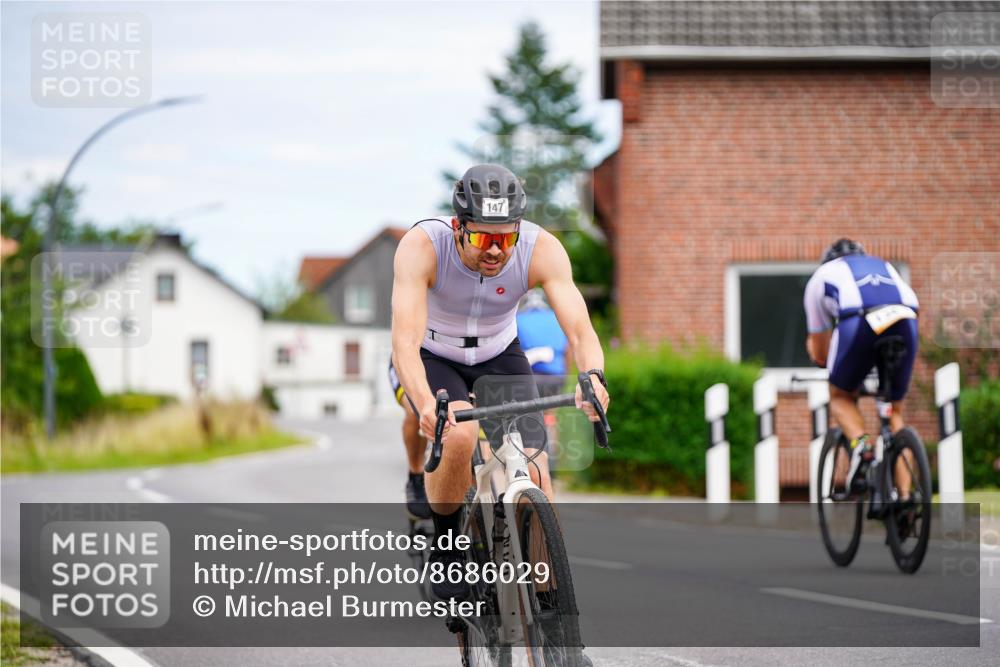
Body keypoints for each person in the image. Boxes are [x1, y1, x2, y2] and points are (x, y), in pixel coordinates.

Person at [390, 164, 610, 602]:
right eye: (482, 237)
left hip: (498, 353)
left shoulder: (541, 249)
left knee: (534, 468)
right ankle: (449, 551)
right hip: (435, 354)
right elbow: (406, 342)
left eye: (505, 237)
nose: (495, 250)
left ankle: (555, 616)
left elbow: (581, 333)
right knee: (458, 434)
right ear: (458, 227)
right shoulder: (422, 246)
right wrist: (425, 404)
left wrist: (593, 378)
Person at [803, 238, 919, 491]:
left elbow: (821, 351)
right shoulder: (883, 265)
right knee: (894, 410)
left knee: (840, 396)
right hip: (907, 318)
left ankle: (861, 446)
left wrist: (827, 363)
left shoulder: (820, 277)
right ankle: (906, 500)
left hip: (860, 319)